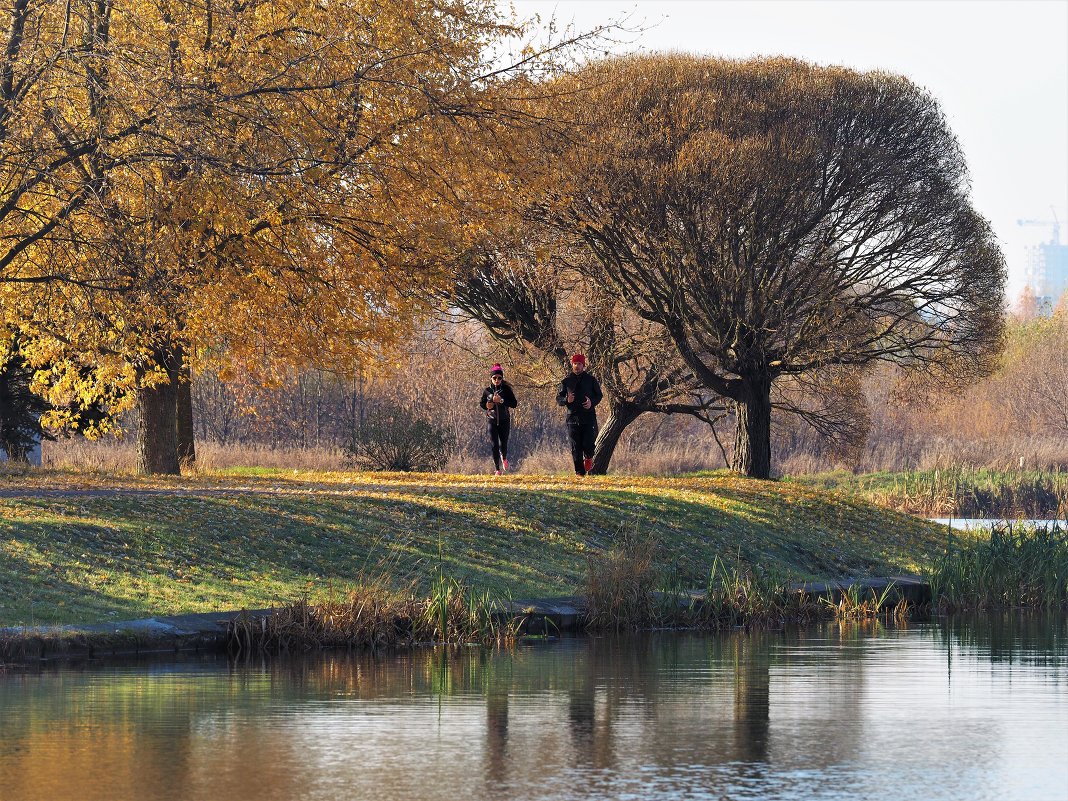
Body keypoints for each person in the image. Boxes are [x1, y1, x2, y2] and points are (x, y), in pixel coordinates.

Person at [556, 353, 602, 476]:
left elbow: (599, 395)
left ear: (583, 365)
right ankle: (579, 473)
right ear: (572, 364)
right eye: (575, 363)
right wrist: (566, 400)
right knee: (575, 447)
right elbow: (558, 398)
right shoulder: (566, 381)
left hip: (588, 417)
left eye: (579, 364)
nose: (577, 366)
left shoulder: (591, 380)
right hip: (572, 418)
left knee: (587, 443)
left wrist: (592, 402)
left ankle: (588, 456)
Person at [479, 364, 517, 475]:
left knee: (503, 443)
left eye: (499, 378)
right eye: (494, 378)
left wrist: (501, 401)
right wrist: (487, 406)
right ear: (491, 378)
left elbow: (514, 403)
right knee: (494, 444)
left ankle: (504, 457)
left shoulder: (506, 390)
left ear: (502, 378)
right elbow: (482, 404)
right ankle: (497, 469)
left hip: (505, 420)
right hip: (492, 419)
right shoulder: (487, 391)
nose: (497, 380)